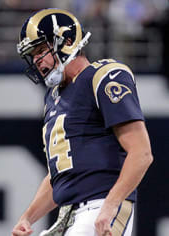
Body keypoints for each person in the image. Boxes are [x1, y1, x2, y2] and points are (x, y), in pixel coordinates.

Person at [12, 9, 153, 236]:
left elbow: (141, 153)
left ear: (67, 41)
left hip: (99, 205)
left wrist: (111, 204)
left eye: (40, 50)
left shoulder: (103, 76)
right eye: (33, 54)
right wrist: (27, 217)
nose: (37, 61)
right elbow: (60, 174)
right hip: (69, 214)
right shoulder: (53, 98)